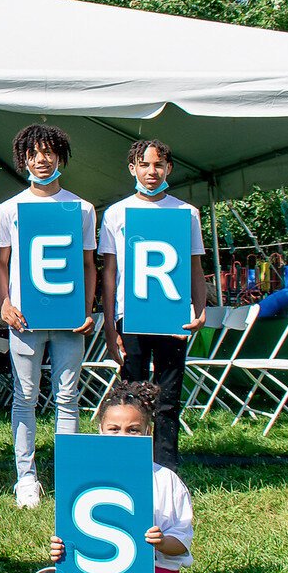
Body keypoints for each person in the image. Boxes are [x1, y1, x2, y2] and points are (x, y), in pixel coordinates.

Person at [0, 124, 97, 509]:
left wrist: (88, 309)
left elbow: (88, 265)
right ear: (23, 159)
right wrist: (3, 302)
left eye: (49, 152)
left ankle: (68, 475)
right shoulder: (9, 208)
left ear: (60, 157)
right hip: (24, 320)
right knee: (25, 397)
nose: (42, 159)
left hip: (70, 320)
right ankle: (27, 479)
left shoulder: (82, 208)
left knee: (68, 398)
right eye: (34, 153)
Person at [99, 140, 208, 470]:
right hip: (128, 317)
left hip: (171, 316)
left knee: (168, 397)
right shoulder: (116, 213)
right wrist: (108, 325)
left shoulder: (185, 213)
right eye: (144, 165)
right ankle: (128, 466)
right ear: (132, 169)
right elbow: (110, 273)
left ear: (168, 169)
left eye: (158, 165)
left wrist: (199, 309)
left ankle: (166, 471)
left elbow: (194, 267)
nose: (151, 171)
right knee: (129, 397)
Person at [41, 380, 194, 573]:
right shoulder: (83, 477)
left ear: (148, 433)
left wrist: (162, 542)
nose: (122, 436)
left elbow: (181, 542)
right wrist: (61, 549)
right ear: (100, 431)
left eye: (132, 430)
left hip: (154, 570)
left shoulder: (165, 480)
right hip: (97, 565)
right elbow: (76, 530)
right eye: (114, 429)